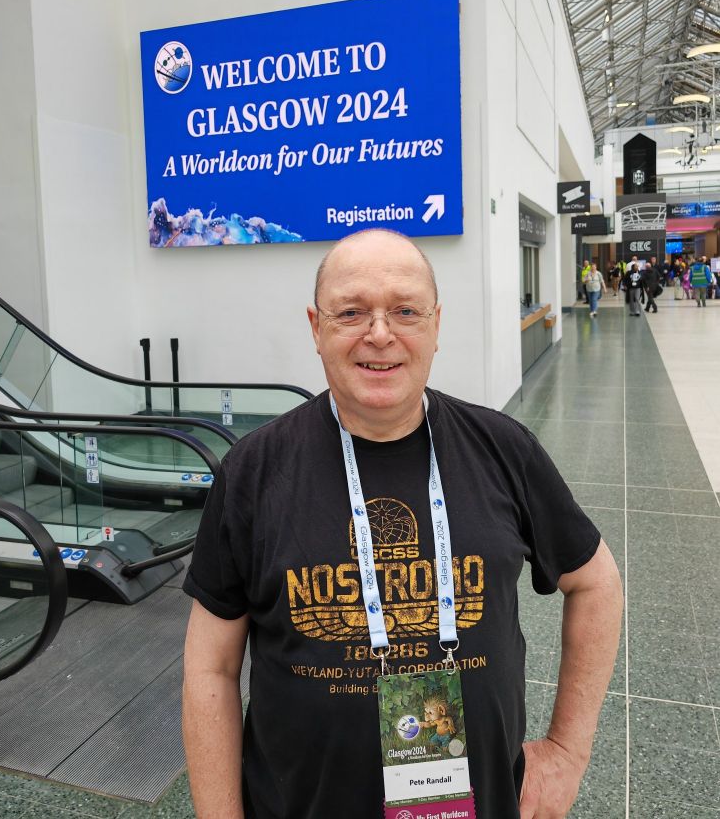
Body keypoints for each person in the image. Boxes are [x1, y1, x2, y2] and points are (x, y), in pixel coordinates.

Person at [182, 229, 623, 819]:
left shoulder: (503, 449)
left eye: (405, 310)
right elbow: (209, 667)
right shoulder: (254, 472)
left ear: (436, 325)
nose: (380, 333)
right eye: (352, 312)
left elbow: (597, 583)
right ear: (316, 327)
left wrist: (567, 752)